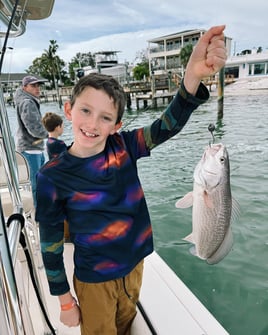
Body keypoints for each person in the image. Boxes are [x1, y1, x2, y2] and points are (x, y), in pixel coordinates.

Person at [35, 25, 227, 335]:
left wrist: (192, 77)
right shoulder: (51, 176)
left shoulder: (125, 145)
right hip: (94, 280)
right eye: (85, 110)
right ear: (69, 110)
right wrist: (65, 301)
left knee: (126, 325)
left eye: (105, 117)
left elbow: (167, 125)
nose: (93, 124)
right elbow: (51, 244)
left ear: (117, 124)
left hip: (136, 267)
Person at [14, 75, 48, 207]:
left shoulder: (27, 101)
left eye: (38, 85)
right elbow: (33, 128)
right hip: (30, 149)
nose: (37, 88)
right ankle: (40, 214)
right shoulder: (27, 102)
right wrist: (50, 134)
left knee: (38, 183)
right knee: (37, 185)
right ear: (25, 87)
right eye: (33, 86)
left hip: (34, 148)